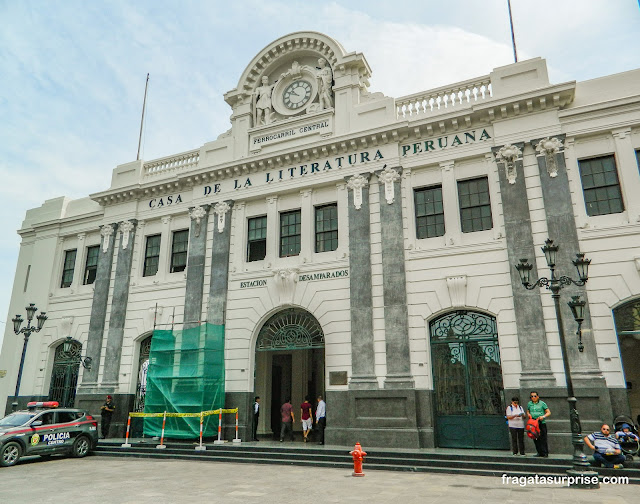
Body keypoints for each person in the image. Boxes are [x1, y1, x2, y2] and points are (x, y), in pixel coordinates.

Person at [527, 391, 550, 457]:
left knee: (543, 438)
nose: (533, 398)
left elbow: (548, 412)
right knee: (535, 437)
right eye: (532, 396)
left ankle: (545, 452)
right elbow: (528, 411)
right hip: (533, 423)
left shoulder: (542, 403)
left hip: (540, 422)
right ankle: (539, 452)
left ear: (538, 397)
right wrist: (529, 414)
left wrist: (543, 416)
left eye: (535, 396)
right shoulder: (529, 404)